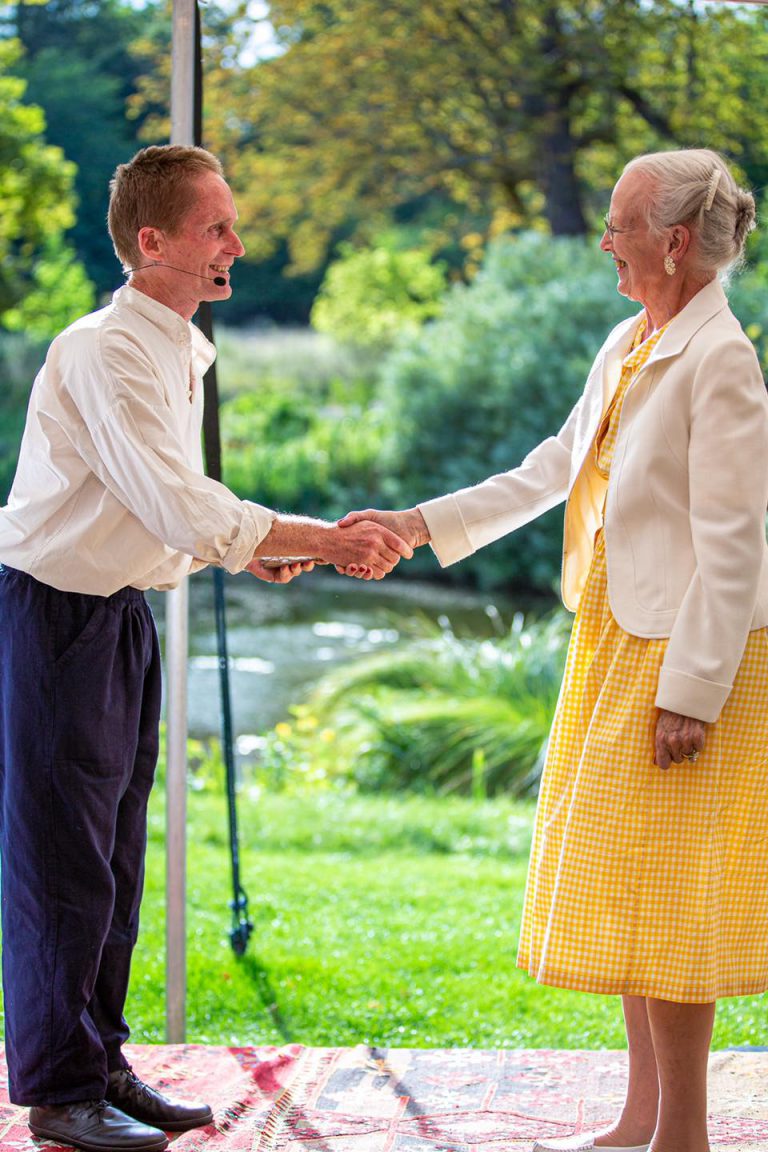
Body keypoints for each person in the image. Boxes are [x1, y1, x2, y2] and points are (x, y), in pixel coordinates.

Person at [341, 148, 768, 1152]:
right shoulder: (632, 337)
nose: (605, 239)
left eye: (619, 223)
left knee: (670, 901)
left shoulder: (723, 360)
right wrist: (415, 521)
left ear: (671, 240)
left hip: (685, 659)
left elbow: (735, 542)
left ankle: (685, 1138)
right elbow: (549, 470)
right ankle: (638, 1118)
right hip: (614, 639)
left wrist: (694, 694)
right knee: (628, 878)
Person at [0, 144, 412, 1152]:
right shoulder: (102, 350)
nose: (236, 243)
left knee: (115, 860)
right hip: (52, 618)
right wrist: (316, 537)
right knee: (63, 865)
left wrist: (242, 557)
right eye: (215, 227)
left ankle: (98, 1067)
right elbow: (175, 502)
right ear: (154, 243)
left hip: (115, 617)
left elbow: (156, 517)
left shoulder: (179, 348)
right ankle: (58, 1093)